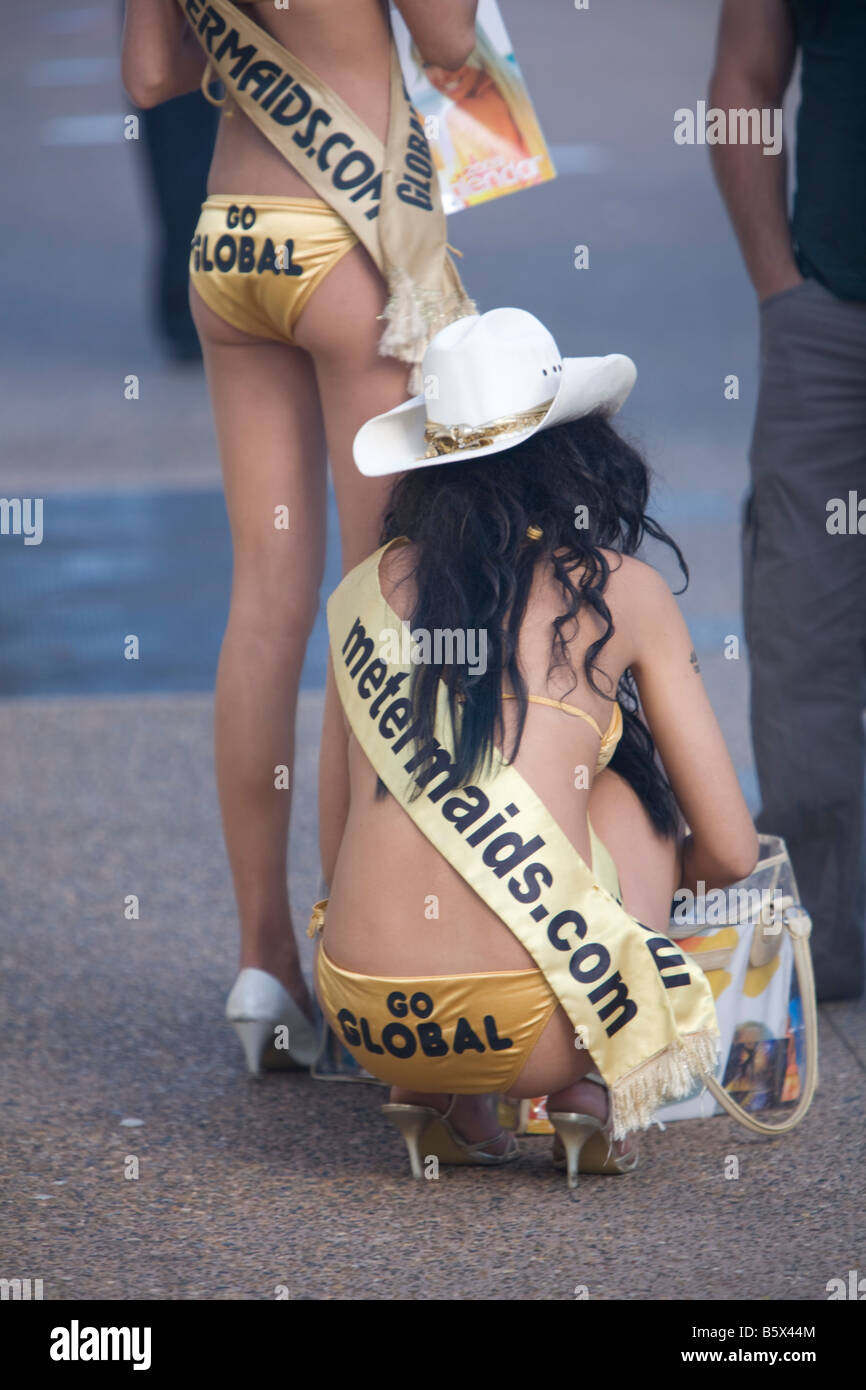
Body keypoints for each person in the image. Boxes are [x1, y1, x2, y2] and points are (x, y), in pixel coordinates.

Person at [309, 308, 758, 1185]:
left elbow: (335, 851)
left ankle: (444, 1100)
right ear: (578, 455)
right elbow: (735, 851)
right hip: (542, 1027)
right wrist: (621, 931)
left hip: (367, 1012)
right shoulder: (622, 591)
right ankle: (593, 1085)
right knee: (632, 794)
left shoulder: (361, 593)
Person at [121, 0, 479, 1072]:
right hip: (348, 240)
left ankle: (261, 958)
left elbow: (148, 75)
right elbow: (453, 43)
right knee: (378, 604)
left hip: (230, 232)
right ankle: (348, 941)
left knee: (265, 600)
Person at [709, 0, 866, 1001]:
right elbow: (743, 81)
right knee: (798, 646)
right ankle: (826, 951)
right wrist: (779, 290)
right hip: (828, 324)